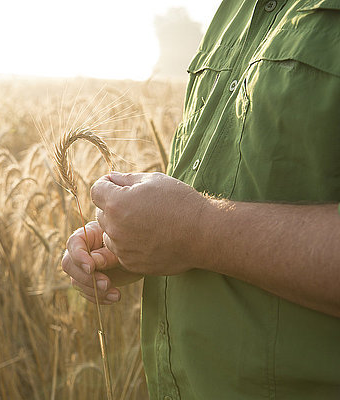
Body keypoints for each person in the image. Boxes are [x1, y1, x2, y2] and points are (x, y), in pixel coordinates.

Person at [61, 1, 340, 399]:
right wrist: (126, 243)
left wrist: (197, 230)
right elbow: (239, 186)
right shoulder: (236, 12)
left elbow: (202, 223)